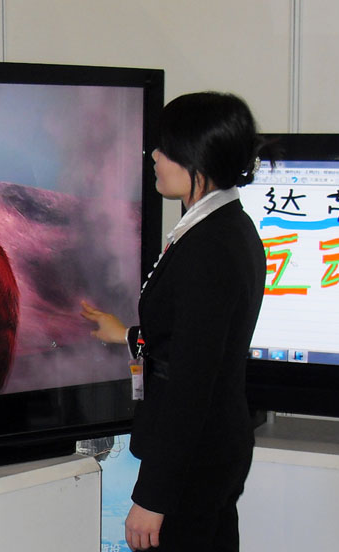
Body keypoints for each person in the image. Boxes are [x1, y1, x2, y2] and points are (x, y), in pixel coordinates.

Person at [81, 92, 271, 551]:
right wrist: (127, 335)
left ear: (196, 157)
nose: (154, 156)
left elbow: (191, 385)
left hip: (193, 462)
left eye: (165, 148)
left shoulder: (209, 248)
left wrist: (153, 497)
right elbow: (197, 339)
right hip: (212, 448)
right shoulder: (226, 224)